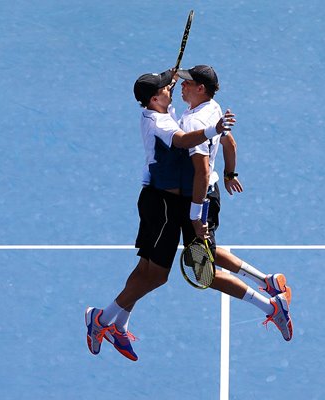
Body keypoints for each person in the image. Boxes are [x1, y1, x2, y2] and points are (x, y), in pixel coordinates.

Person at [84, 68, 235, 361]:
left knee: (144, 271)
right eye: (167, 88)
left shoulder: (160, 107)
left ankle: (119, 326)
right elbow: (181, 140)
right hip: (160, 205)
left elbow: (166, 89)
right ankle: (100, 319)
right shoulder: (159, 122)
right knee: (157, 276)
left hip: (162, 200)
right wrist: (213, 129)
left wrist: (171, 76)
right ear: (155, 98)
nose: (173, 88)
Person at [175, 65, 293, 341]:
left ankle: (271, 306)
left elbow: (202, 171)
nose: (182, 86)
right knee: (210, 252)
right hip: (210, 192)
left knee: (203, 271)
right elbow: (231, 145)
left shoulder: (195, 122)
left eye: (186, 83)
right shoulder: (213, 109)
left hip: (198, 197)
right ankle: (268, 282)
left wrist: (195, 214)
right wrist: (230, 173)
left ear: (200, 88)